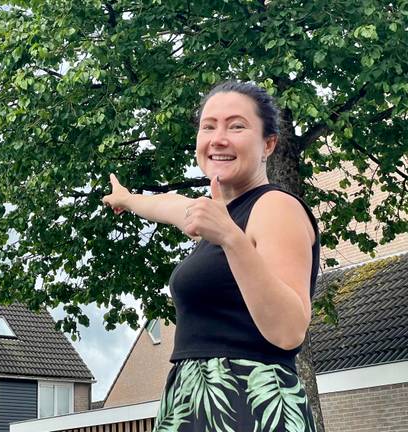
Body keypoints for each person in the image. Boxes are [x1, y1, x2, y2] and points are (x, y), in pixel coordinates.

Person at [102, 81, 320, 432]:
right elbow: (170, 205)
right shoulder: (220, 213)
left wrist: (231, 238)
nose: (218, 138)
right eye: (209, 126)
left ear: (268, 143)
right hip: (192, 399)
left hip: (250, 403)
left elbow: (289, 330)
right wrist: (127, 200)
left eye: (236, 126)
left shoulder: (275, 207)